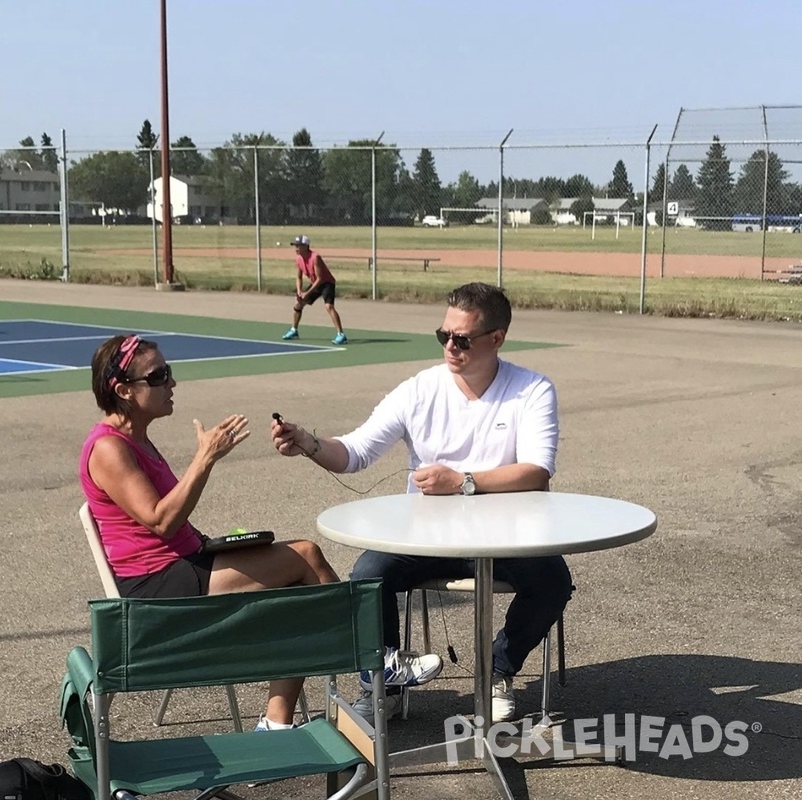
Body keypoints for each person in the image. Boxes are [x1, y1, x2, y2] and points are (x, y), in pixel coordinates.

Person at [271, 282, 570, 724]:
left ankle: (497, 670)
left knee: (552, 580)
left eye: (462, 339)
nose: (450, 346)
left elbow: (536, 471)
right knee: (369, 574)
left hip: (505, 536)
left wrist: (463, 480)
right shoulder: (419, 389)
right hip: (425, 537)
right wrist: (308, 442)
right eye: (443, 335)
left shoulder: (532, 390)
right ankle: (384, 684)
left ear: (497, 339)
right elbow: (355, 452)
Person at [80, 333, 348, 731]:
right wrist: (205, 458)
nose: (172, 384)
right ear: (123, 390)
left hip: (184, 563)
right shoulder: (108, 449)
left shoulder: (136, 440)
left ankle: (277, 725)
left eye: (168, 373)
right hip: (156, 588)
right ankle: (371, 663)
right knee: (306, 556)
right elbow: (160, 520)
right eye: (159, 376)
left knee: (298, 589)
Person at [282, 234, 346, 345]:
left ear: (306, 246)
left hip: (326, 283)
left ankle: (341, 334)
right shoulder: (298, 259)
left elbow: (320, 278)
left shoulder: (315, 257)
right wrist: (299, 291)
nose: (296, 248)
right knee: (298, 305)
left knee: (329, 307)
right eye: (295, 246)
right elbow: (299, 277)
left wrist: (307, 293)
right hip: (315, 284)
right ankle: (294, 330)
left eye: (299, 246)